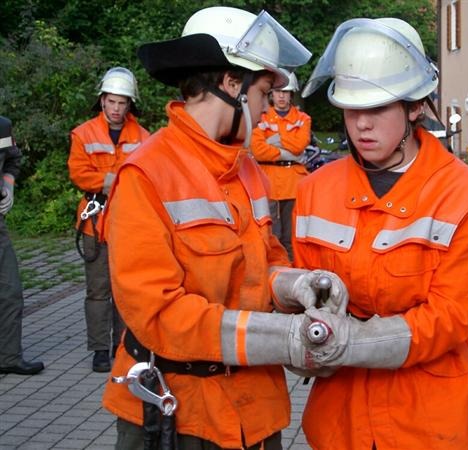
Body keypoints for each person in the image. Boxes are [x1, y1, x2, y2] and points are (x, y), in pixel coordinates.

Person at [101, 7, 347, 449]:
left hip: (253, 406)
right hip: (179, 414)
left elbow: (265, 260)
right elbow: (158, 314)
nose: (266, 106)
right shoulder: (147, 174)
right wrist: (281, 338)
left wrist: (296, 285)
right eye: (263, 92)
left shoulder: (245, 168)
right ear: (232, 84)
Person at [296, 18, 468, 449]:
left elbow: (450, 317)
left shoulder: (466, 197)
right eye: (352, 109)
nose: (361, 125)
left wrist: (349, 341)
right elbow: (306, 298)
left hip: (432, 419)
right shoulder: (315, 189)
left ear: (415, 107)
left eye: (377, 108)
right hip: (343, 417)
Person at [68, 67, 150, 373]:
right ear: (102, 101)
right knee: (98, 290)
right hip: (95, 219)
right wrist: (111, 180)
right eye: (111, 102)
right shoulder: (84, 133)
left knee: (126, 289)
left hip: (128, 222)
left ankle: (123, 345)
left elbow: (148, 175)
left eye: (122, 103)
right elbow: (78, 173)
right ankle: (100, 348)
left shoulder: (143, 137)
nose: (116, 108)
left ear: (130, 105)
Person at [0, 116, 45, 375]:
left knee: (10, 291)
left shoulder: (3, 127)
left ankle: (8, 357)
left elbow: (13, 159)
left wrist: (8, 186)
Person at [250, 72, 312, 258]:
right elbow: (258, 150)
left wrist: (275, 139)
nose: (282, 96)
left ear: (291, 94)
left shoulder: (303, 118)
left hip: (294, 184)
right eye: (278, 92)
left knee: (292, 237)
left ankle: (294, 276)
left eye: (286, 92)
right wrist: (290, 151)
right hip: (269, 183)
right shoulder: (261, 117)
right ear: (271, 94)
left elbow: (301, 145)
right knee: (271, 235)